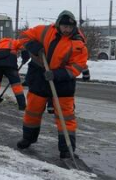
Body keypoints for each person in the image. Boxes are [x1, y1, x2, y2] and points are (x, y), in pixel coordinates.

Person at [17, 10, 89, 159]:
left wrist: (57, 74)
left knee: (66, 116)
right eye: (64, 26)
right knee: (32, 110)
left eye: (69, 27)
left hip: (63, 83)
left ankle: (66, 149)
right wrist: (33, 46)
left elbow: (77, 66)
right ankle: (28, 138)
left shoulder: (78, 44)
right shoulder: (43, 31)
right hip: (39, 76)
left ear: (74, 27)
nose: (66, 30)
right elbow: (23, 36)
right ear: (58, 24)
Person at [0, 37, 29, 110]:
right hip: (9, 65)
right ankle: (22, 105)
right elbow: (23, 48)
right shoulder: (14, 41)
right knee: (16, 85)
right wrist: (25, 58)